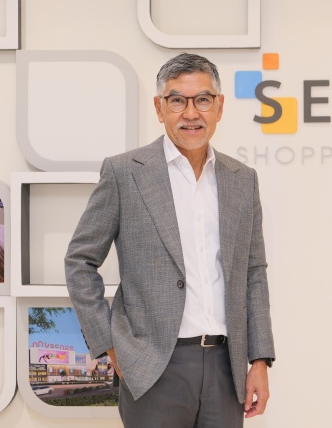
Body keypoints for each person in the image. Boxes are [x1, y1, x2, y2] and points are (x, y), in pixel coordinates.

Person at [65, 53, 275, 428]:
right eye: (177, 100)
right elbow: (80, 261)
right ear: (159, 108)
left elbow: (253, 271)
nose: (190, 113)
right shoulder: (124, 173)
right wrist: (110, 345)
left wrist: (259, 360)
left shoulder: (243, 179)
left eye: (202, 100)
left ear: (219, 107)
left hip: (226, 368)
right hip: (153, 367)